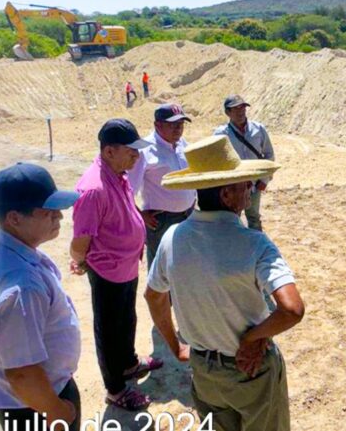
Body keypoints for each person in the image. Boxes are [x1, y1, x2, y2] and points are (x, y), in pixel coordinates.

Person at [144, 135, 304, 431]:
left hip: (204, 370)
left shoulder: (172, 238)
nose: (250, 191)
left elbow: (154, 296)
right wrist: (253, 337)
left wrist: (175, 345)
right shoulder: (254, 243)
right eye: (245, 185)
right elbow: (292, 309)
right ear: (227, 195)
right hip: (249, 370)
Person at [0, 163, 82, 431]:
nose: (59, 218)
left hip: (26, 400)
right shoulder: (20, 289)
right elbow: (23, 373)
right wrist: (57, 410)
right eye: (48, 212)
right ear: (14, 218)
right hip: (37, 405)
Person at [69, 119, 161, 411]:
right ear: (109, 151)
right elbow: (80, 240)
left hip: (126, 267)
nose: (137, 156)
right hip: (107, 271)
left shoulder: (117, 173)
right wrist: (80, 262)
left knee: (127, 319)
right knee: (109, 330)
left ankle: (129, 364)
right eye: (131, 150)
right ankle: (116, 390)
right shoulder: (93, 189)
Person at [128, 103, 196, 268]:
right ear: (157, 125)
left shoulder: (182, 144)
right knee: (161, 268)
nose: (178, 129)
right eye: (173, 124)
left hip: (188, 216)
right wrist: (141, 216)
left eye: (181, 124)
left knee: (184, 265)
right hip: (161, 221)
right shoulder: (145, 151)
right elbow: (126, 190)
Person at [212, 94, 275, 231]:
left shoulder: (259, 129)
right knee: (232, 218)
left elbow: (269, 155)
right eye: (236, 109)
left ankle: (256, 245)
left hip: (254, 185)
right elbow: (216, 160)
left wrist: (264, 180)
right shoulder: (221, 134)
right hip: (232, 187)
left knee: (254, 217)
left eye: (243, 107)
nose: (241, 111)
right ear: (228, 112)